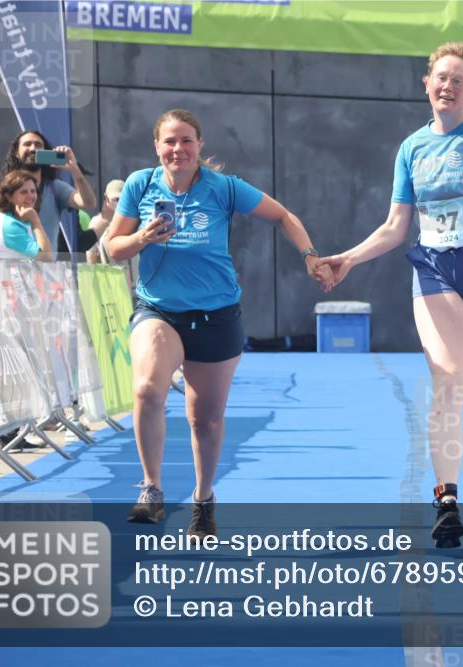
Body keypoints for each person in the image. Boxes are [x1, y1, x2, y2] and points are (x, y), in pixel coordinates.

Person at [317, 43, 463, 548]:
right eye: (440, 78)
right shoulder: (412, 148)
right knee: (447, 382)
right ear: (426, 83)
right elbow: (396, 226)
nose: (447, 86)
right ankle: (446, 501)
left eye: (458, 80)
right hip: (436, 269)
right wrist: (349, 258)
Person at [106, 108, 331, 537]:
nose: (178, 149)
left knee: (204, 421)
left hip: (216, 315)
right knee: (147, 388)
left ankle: (203, 498)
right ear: (157, 146)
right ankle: (151, 487)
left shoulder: (224, 188)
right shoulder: (140, 184)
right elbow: (112, 247)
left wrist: (310, 256)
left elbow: (284, 215)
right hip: (160, 310)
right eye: (170, 141)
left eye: (186, 140)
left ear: (200, 146)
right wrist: (141, 239)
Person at [0, 130, 96, 255]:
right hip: (10, 268)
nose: (33, 148)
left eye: (38, 145)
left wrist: (75, 170)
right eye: (27, 144)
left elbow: (89, 203)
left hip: (45, 268)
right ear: (16, 152)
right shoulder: (2, 189)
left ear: (45, 151)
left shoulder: (55, 188)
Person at [0, 170, 54, 261]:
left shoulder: (17, 219)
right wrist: (36, 222)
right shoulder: (10, 225)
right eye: (24, 192)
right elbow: (47, 258)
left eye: (33, 191)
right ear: (9, 197)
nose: (30, 196)